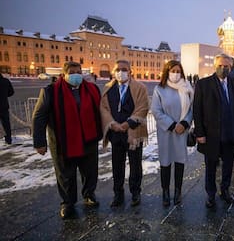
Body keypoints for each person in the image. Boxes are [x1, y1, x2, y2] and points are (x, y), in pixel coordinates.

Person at [32, 61, 102, 219]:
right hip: (63, 141)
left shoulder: (92, 89)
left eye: (79, 71)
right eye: (72, 72)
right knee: (65, 174)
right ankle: (67, 203)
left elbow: (100, 111)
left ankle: (89, 194)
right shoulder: (50, 91)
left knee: (90, 171)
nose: (76, 74)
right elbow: (39, 116)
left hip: (88, 139)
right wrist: (39, 142)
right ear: (64, 74)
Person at [193, 53, 234, 208]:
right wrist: (199, 133)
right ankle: (211, 194)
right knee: (211, 166)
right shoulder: (204, 84)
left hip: (230, 133)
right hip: (212, 135)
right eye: (220, 66)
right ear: (215, 66)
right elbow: (197, 109)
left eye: (226, 66)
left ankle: (225, 190)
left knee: (228, 165)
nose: (223, 68)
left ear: (231, 67)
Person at [100, 59, 149, 208]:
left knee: (135, 165)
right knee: (117, 166)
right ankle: (118, 194)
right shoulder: (108, 89)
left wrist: (129, 123)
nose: (121, 72)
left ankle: (135, 193)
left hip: (134, 133)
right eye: (118, 69)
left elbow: (143, 107)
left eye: (124, 69)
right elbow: (104, 109)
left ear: (130, 71)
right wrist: (112, 124)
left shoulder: (140, 87)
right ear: (114, 72)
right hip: (116, 134)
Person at [151, 60, 193, 206]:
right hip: (166, 132)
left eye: (178, 71)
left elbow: (191, 109)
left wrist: (185, 123)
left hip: (181, 131)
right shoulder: (159, 89)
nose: (176, 74)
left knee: (179, 162)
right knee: (166, 162)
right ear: (167, 72)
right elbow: (156, 110)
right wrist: (172, 125)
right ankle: (165, 192)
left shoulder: (187, 88)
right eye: (173, 71)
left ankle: (178, 191)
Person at [0, 73, 14, 144]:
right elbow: (11, 92)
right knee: (6, 124)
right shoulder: (5, 81)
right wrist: (5, 94)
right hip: (4, 105)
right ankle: (8, 140)